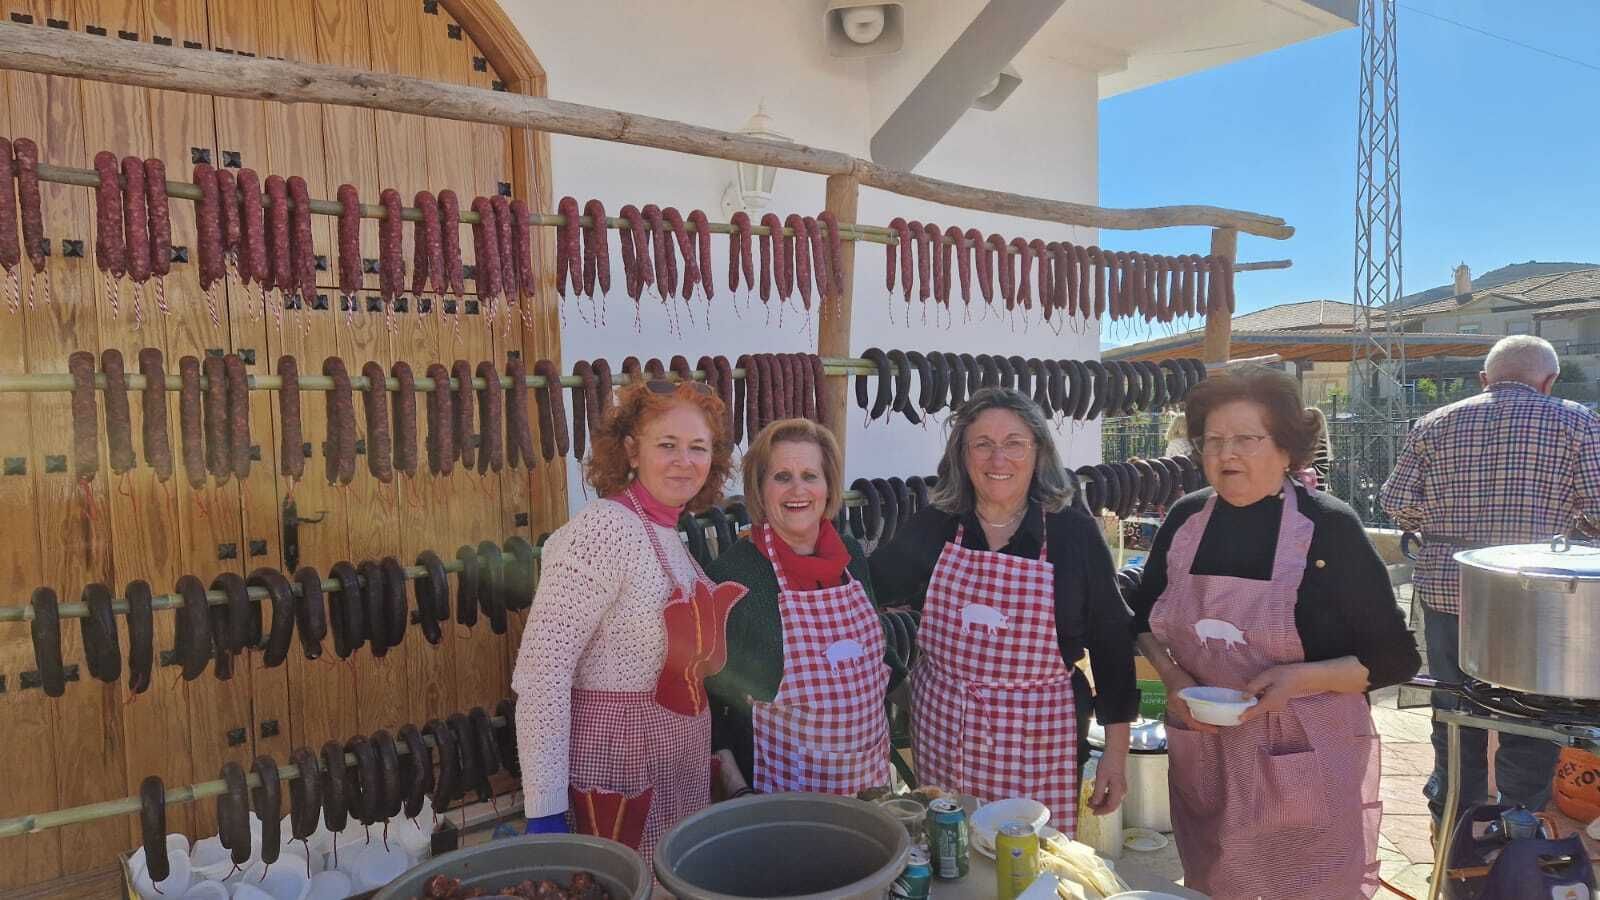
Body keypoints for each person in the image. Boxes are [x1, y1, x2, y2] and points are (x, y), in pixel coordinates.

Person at [1127, 364, 1419, 900]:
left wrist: (1298, 679)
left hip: (1305, 750)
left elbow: (1395, 659)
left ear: (1286, 449)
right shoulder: (1187, 519)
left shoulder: (1328, 526)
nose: (1226, 453)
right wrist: (1172, 678)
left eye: (1246, 439)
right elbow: (1143, 620)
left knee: (1307, 885)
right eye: (1213, 440)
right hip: (1209, 748)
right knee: (1216, 879)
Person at [871, 387, 1135, 836]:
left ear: (1038, 451)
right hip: (944, 726)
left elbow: (1111, 640)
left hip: (1039, 735)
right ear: (962, 455)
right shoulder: (936, 525)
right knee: (951, 851)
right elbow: (864, 594)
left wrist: (1116, 753)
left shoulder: (1072, 532)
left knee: (1031, 858)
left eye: (1014, 443)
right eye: (983, 444)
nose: (998, 459)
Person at [511, 379, 746, 864]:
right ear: (632, 451)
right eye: (667, 445)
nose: (684, 461)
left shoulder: (670, 533)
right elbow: (542, 673)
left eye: (698, 447)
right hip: (616, 772)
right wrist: (545, 805)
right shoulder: (603, 529)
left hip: (678, 767)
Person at [1381, 335, 1600, 830]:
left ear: (1484, 379)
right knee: (1531, 715)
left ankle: (1454, 813)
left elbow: (1396, 501)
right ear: (1549, 381)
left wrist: (1444, 521)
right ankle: (1517, 825)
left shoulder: (1434, 422)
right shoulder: (1578, 421)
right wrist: (1567, 522)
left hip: (1448, 589)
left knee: (1453, 705)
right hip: (1536, 601)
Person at [706, 418, 902, 796]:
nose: (798, 489)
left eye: (810, 475)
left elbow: (878, 656)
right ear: (760, 490)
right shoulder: (735, 576)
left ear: (828, 487)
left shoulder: (851, 557)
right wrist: (737, 790)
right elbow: (707, 701)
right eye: (782, 477)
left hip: (869, 784)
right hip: (780, 797)